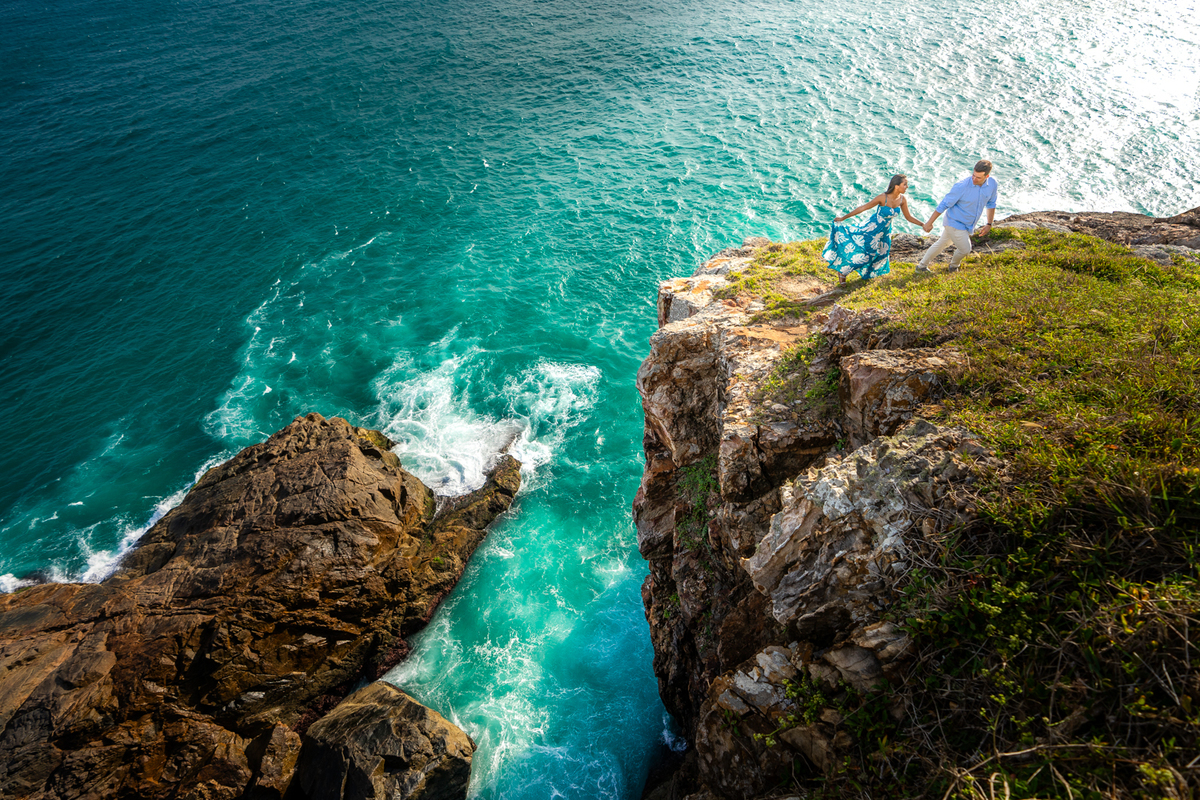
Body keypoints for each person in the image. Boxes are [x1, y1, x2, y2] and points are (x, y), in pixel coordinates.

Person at [823, 174, 926, 283]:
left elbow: (908, 217)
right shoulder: (883, 198)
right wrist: (843, 218)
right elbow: (863, 208)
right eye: (904, 184)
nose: (907, 186)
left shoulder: (902, 199)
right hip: (871, 230)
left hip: (885, 232)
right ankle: (843, 271)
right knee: (866, 254)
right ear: (896, 186)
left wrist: (922, 224)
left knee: (882, 253)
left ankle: (868, 275)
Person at [918, 160, 999, 272]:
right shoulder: (961, 186)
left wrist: (989, 223)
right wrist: (929, 223)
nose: (974, 179)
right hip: (954, 222)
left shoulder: (992, 184)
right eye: (973, 175)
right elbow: (944, 204)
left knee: (943, 243)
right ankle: (953, 267)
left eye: (978, 178)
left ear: (987, 176)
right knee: (965, 249)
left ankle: (921, 267)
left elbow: (991, 203)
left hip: (967, 224)